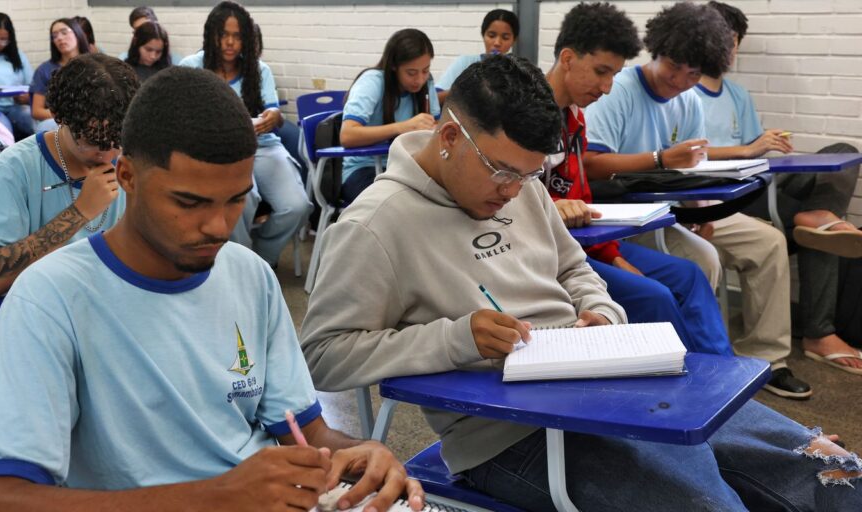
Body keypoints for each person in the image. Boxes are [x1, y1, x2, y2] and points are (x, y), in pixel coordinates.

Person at [300, 52, 862, 512]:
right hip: (511, 436)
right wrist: (457, 338)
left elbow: (575, 268)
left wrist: (603, 314)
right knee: (710, 506)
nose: (514, 192)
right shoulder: (374, 226)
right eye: (502, 172)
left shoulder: (521, 186)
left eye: (531, 175)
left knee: (827, 470)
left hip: (609, 384)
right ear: (449, 137)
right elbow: (324, 355)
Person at [0, 66, 424, 512]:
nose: (218, 226)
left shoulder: (250, 274)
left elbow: (306, 434)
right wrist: (219, 498)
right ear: (126, 177)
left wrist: (360, 457)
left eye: (236, 200)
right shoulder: (50, 298)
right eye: (189, 202)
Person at [582, 2, 811, 399]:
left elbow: (692, 170)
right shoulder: (618, 90)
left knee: (768, 242)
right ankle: (692, 366)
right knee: (701, 259)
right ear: (656, 49)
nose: (680, 79)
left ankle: (766, 361)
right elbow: (592, 164)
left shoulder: (688, 100)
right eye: (674, 66)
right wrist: (660, 160)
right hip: (629, 215)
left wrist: (702, 210)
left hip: (677, 208)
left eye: (693, 74)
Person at [543, 3, 731, 355]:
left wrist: (613, 255)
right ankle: (688, 388)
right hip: (549, 253)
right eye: (601, 72)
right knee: (654, 295)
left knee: (689, 275)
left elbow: (582, 203)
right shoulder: (527, 113)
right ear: (567, 59)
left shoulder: (575, 119)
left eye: (613, 74)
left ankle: (722, 376)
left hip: (583, 243)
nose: (607, 87)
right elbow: (514, 199)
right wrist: (557, 207)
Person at [698, 1, 862, 374]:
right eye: (726, 39)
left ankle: (818, 217)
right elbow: (688, 161)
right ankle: (820, 333)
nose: (732, 49)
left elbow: (755, 154)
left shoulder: (737, 94)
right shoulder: (683, 92)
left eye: (737, 40)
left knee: (843, 153)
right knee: (818, 232)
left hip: (759, 183)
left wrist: (768, 143)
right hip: (725, 193)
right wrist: (747, 149)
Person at [0, 53, 138, 306]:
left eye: (117, 142)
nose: (107, 155)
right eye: (92, 142)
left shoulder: (133, 163)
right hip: (41, 313)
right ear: (59, 116)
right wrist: (80, 212)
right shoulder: (15, 167)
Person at [179, 1, 310, 269]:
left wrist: (274, 117)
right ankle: (237, 263)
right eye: (223, 35)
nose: (229, 43)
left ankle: (259, 257)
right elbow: (182, 116)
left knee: (297, 206)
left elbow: (273, 111)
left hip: (262, 146)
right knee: (244, 197)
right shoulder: (192, 66)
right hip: (217, 152)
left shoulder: (259, 70)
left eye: (237, 36)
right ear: (211, 35)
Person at [340, 28, 440, 205]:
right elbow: (347, 135)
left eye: (425, 70)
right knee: (399, 207)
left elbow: (436, 126)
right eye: (411, 72)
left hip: (407, 168)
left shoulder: (427, 83)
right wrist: (403, 127)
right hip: (365, 168)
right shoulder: (372, 81)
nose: (419, 79)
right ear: (394, 66)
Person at [435, 9, 518, 104]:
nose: (497, 43)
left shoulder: (516, 71)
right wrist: (464, 89)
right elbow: (434, 99)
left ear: (514, 40)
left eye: (505, 38)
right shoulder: (465, 62)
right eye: (491, 36)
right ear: (483, 35)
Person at [30, 18, 90, 133]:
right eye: (55, 36)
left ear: (77, 33)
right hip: (59, 120)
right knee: (44, 127)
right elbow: (37, 111)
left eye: (64, 32)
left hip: (92, 117)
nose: (60, 38)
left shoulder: (95, 64)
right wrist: (68, 116)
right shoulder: (44, 70)